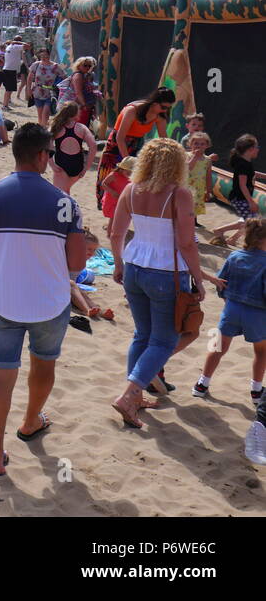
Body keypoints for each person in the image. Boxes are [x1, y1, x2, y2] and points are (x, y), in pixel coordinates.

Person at [0, 123, 88, 476]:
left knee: (1, 377)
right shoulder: (65, 203)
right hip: (50, 301)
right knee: (43, 365)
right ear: (40, 156)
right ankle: (31, 420)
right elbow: (77, 263)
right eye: (50, 154)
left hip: (4, 299)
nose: (50, 159)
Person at [109, 138, 221, 426]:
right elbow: (186, 243)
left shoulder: (132, 189)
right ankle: (129, 394)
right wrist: (198, 277)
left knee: (142, 335)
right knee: (165, 338)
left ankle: (134, 394)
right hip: (165, 272)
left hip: (135, 264)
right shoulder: (179, 194)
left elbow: (115, 232)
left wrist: (119, 264)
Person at [194, 218, 266, 403]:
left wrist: (227, 299)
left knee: (217, 347)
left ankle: (202, 384)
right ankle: (256, 391)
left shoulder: (234, 257)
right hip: (257, 314)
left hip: (231, 309)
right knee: (261, 352)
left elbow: (221, 283)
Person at [96, 86, 175, 209]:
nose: (165, 110)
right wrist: (127, 161)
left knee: (131, 178)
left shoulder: (160, 116)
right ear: (154, 102)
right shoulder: (133, 110)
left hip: (135, 143)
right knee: (109, 174)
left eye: (168, 108)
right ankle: (106, 207)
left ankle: (123, 207)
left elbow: (164, 140)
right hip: (117, 143)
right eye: (163, 107)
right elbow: (120, 137)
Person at [212, 134, 261, 246]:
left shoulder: (246, 163)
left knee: (250, 220)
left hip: (242, 198)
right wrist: (251, 201)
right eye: (257, 147)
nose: (258, 150)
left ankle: (232, 239)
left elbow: (252, 173)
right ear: (250, 149)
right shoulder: (243, 165)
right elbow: (242, 185)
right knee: (250, 222)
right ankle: (220, 230)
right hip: (240, 198)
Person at [49, 101, 95, 194]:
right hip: (77, 165)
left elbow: (46, 144)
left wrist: (52, 164)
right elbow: (93, 145)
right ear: (76, 113)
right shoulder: (81, 128)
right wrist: (86, 167)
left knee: (60, 194)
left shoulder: (56, 127)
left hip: (61, 163)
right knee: (65, 191)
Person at [25, 48, 66, 126]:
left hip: (49, 92)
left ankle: (43, 130)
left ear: (49, 55)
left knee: (45, 114)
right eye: (42, 56)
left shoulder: (55, 66)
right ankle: (42, 130)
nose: (44, 57)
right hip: (37, 92)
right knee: (40, 114)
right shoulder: (36, 64)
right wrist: (28, 89)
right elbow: (29, 77)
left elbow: (64, 77)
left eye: (45, 55)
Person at [185, 130, 213, 224]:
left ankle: (194, 220)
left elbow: (208, 175)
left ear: (206, 145)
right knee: (187, 203)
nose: (199, 146)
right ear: (190, 144)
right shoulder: (187, 155)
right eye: (196, 143)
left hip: (200, 187)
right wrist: (195, 158)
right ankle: (187, 220)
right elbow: (187, 168)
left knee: (196, 203)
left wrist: (208, 191)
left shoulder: (207, 160)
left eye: (202, 144)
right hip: (188, 185)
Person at [0, 37, 26, 107]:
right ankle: (5, 105)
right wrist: (18, 42)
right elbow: (27, 46)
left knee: (9, 88)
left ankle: (6, 104)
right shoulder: (15, 47)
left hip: (9, 69)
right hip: (10, 70)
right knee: (9, 89)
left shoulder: (9, 47)